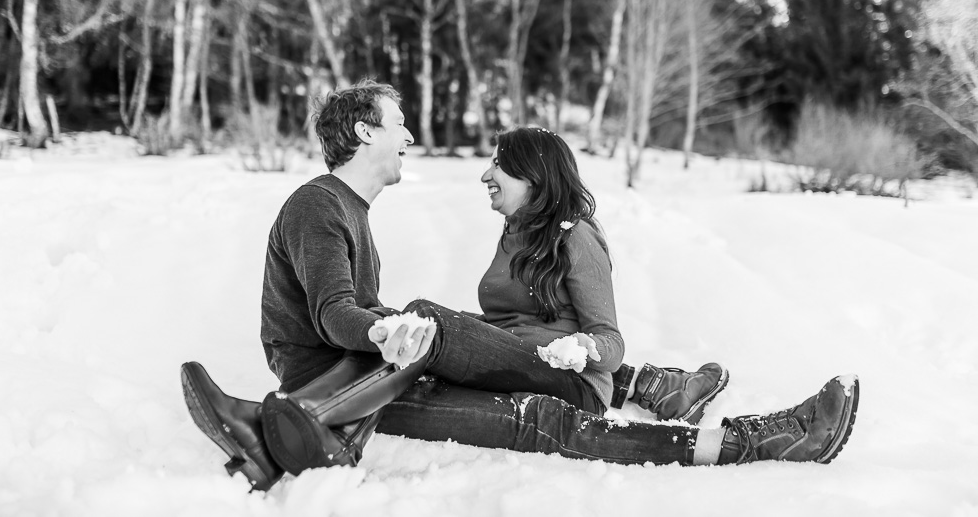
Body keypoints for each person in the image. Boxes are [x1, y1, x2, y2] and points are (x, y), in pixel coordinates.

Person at [180, 80, 859, 492]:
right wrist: (391, 328)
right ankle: (291, 429)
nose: (411, 135)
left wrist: (401, 326)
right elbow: (336, 313)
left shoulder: (565, 234)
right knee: (529, 413)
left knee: (432, 324)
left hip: (380, 372)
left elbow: (588, 330)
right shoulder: (321, 205)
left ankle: (745, 433)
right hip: (348, 373)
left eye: (500, 169)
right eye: (398, 123)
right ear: (366, 132)